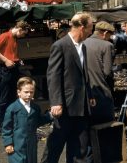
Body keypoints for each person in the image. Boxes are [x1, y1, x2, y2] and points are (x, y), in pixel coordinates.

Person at [41, 12, 96, 163]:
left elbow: (84, 74)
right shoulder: (60, 46)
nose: (91, 32)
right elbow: (53, 76)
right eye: (90, 28)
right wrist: (55, 102)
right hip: (65, 105)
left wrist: (89, 95)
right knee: (56, 144)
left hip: (82, 105)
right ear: (82, 27)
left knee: (80, 146)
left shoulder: (83, 47)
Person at [0, 21, 31, 134]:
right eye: (23, 33)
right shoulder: (5, 36)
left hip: (13, 68)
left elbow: (10, 53)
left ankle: (9, 123)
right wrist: (6, 60)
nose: (23, 36)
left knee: (13, 96)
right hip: (5, 69)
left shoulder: (14, 38)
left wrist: (17, 59)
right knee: (4, 97)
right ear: (20, 29)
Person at [2, 77, 52, 163]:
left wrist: (50, 115)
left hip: (31, 144)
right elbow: (6, 127)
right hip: (17, 145)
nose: (29, 95)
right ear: (19, 92)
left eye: (31, 92)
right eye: (26, 92)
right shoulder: (12, 108)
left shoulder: (35, 108)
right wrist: (8, 143)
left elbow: (39, 121)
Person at [84, 21, 115, 125]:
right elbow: (107, 72)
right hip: (101, 92)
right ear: (105, 33)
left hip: (86, 91)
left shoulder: (82, 43)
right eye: (109, 35)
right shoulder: (107, 45)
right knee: (106, 126)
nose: (109, 38)